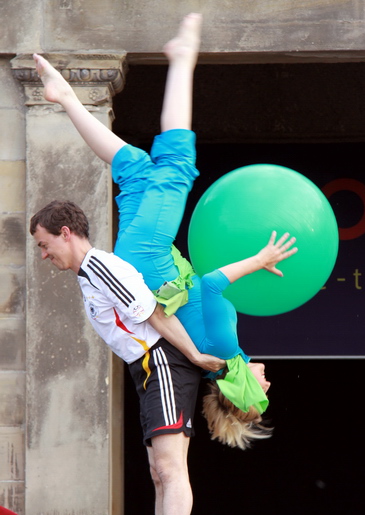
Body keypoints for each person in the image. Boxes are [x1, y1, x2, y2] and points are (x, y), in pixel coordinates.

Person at [33, 13, 298, 456]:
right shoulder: (222, 356)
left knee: (175, 166)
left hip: (150, 257)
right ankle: (64, 97)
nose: (267, 380)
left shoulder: (225, 349)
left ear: (240, 391)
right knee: (136, 170)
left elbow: (212, 284)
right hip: (144, 260)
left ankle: (181, 59)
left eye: (263, 389)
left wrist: (259, 259)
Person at [30, 15, 227, 515]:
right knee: (140, 168)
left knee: (174, 167)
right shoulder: (95, 270)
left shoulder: (103, 263)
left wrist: (200, 356)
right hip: (150, 297)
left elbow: (155, 318)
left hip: (156, 326)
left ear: (66, 232)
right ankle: (77, 94)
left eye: (43, 245)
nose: (42, 255)